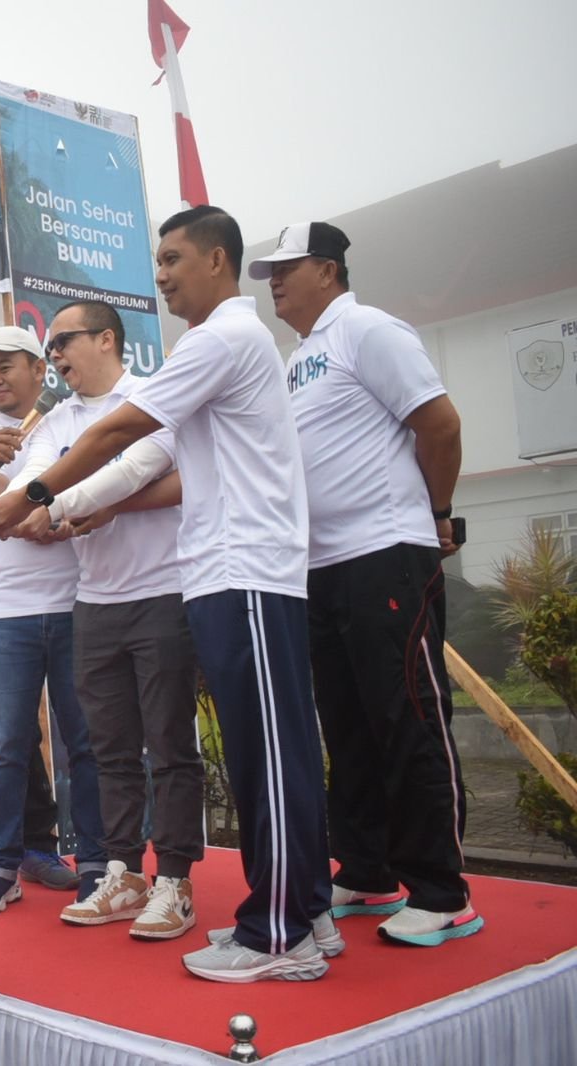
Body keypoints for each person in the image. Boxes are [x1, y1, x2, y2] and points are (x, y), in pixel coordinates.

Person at [0, 205, 333, 983]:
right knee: (256, 752)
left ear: (217, 260)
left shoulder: (224, 339)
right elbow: (135, 465)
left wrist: (34, 495)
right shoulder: (212, 347)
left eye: (174, 259)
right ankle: (307, 907)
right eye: (158, 260)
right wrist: (58, 504)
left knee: (267, 755)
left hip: (243, 569)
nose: (163, 275)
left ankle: (281, 932)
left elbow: (123, 440)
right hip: (214, 573)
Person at [251, 222, 477, 947]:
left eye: (286, 268)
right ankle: (370, 868)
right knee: (345, 725)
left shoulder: (368, 330)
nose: (274, 281)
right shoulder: (299, 358)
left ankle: (443, 891)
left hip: (387, 552)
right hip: (319, 567)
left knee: (407, 717)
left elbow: (439, 426)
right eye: (269, 271)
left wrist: (437, 515)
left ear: (328, 269)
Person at [2, 302, 205, 938]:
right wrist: (21, 507)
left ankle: (175, 879)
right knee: (109, 749)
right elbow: (31, 480)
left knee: (170, 746)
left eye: (64, 341)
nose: (54, 355)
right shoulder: (54, 422)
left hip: (164, 591)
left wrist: (52, 505)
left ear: (107, 339)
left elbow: (136, 467)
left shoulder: (153, 399)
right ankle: (123, 871)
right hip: (94, 602)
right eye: (50, 346)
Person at [0, 327, 107, 913]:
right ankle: (0, 865)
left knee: (87, 742)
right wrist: (49, 507)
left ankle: (96, 862)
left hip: (76, 602)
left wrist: (50, 506)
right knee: (3, 745)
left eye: (6, 367)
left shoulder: (74, 421)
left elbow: (88, 486)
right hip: (1, 613)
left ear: (39, 370)